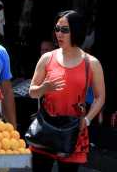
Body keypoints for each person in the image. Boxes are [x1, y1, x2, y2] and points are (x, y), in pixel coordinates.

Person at [29, 10, 105, 172]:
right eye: (57, 29)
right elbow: (32, 92)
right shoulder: (47, 58)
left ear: (76, 31)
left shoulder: (91, 63)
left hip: (74, 131)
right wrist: (44, 88)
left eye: (65, 30)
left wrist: (88, 120)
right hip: (46, 128)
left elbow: (100, 98)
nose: (59, 34)